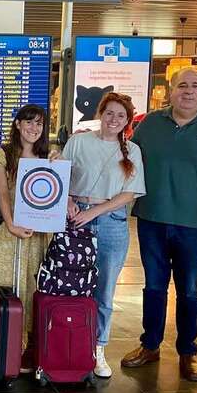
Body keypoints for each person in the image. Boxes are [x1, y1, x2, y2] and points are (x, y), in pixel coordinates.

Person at [121, 67, 197, 382]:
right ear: (170, 90)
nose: (188, 91)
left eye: (195, 86)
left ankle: (188, 351)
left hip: (192, 225)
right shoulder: (149, 126)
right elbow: (125, 159)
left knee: (188, 289)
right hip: (151, 219)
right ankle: (150, 345)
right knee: (154, 286)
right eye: (182, 85)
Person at [59, 92, 146, 378]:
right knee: (70, 282)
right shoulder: (78, 141)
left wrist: (94, 212)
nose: (113, 120)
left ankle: (99, 347)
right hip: (75, 217)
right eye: (109, 113)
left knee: (105, 290)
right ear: (100, 113)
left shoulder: (131, 151)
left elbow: (129, 193)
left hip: (111, 221)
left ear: (127, 120)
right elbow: (63, 176)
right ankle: (69, 341)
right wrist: (69, 202)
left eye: (121, 115)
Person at [0, 104, 49, 373]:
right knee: (3, 285)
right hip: (7, 232)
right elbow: (2, 195)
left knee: (33, 287)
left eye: (39, 124)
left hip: (37, 233)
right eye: (29, 122)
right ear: (18, 124)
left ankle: (29, 348)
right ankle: (1, 344)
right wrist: (11, 224)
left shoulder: (49, 156)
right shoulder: (1, 154)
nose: (34, 128)